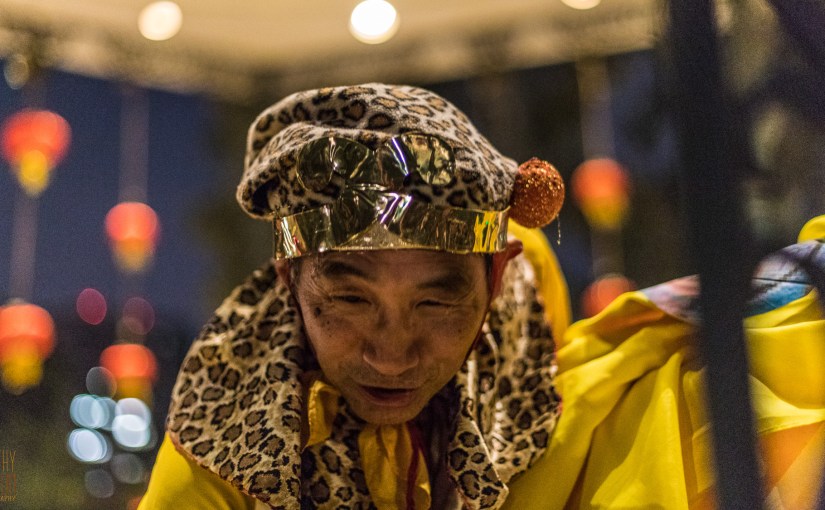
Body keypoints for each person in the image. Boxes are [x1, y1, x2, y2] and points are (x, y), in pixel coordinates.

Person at [138, 83, 570, 509]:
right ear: (287, 276)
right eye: (350, 300)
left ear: (496, 277)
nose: (392, 357)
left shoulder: (528, 300)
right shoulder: (214, 449)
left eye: (434, 303)